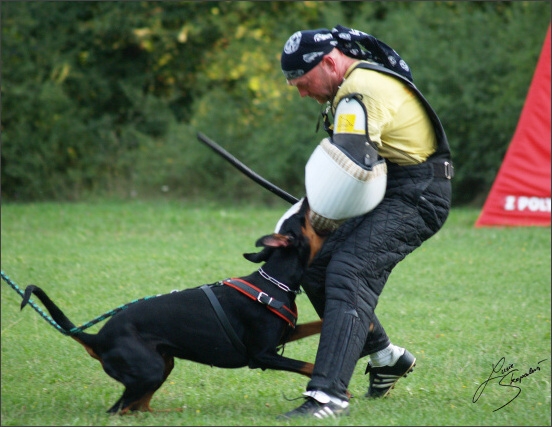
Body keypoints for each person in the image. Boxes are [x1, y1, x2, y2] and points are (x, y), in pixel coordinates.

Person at [276, 25, 454, 419]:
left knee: (348, 271)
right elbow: (352, 167)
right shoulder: (353, 86)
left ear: (329, 62)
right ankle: (386, 358)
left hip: (419, 193)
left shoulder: (361, 92)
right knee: (317, 264)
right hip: (391, 186)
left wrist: (316, 217)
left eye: (303, 83)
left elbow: (351, 168)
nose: (303, 94)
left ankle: (328, 398)